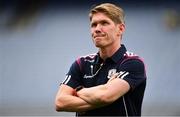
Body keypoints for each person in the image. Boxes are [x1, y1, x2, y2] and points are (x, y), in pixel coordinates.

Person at [55, 3, 146, 116]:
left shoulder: (132, 63)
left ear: (120, 29)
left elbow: (105, 96)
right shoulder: (81, 63)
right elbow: (60, 102)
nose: (97, 29)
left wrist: (79, 91)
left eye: (104, 23)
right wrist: (101, 96)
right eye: (94, 25)